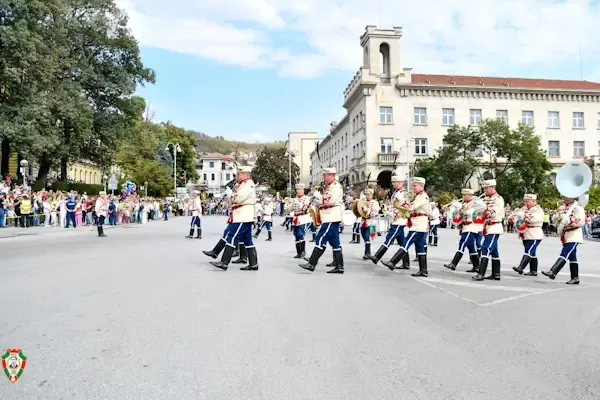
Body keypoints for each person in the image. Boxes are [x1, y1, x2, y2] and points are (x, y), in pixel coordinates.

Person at [210, 166, 258, 271]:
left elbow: (239, 198)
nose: (236, 177)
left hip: (243, 215)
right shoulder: (243, 184)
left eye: (238, 174)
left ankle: (224, 262)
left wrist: (230, 194)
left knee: (232, 237)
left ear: (244, 174)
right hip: (243, 215)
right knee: (247, 240)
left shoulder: (248, 184)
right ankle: (253, 263)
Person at [381, 177, 430, 277]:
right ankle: (423, 270)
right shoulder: (419, 196)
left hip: (418, 226)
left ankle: (393, 262)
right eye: (413, 186)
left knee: (406, 243)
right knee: (420, 248)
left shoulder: (422, 197)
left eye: (415, 186)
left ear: (421, 186)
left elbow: (411, 207)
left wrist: (402, 200)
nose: (413, 188)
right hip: (419, 225)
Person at [299, 167, 344, 274]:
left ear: (331, 175)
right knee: (335, 242)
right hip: (329, 217)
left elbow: (331, 200)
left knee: (320, 238)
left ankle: (312, 263)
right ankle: (339, 266)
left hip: (331, 217)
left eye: (325, 175)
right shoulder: (330, 186)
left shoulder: (335, 186)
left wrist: (319, 198)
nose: (323, 177)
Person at [541, 196, 584, 284]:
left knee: (565, 252)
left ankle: (553, 271)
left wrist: (566, 220)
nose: (563, 197)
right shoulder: (561, 208)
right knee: (572, 257)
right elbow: (557, 220)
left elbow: (580, 222)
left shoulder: (578, 207)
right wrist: (556, 219)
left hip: (574, 234)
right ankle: (575, 278)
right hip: (566, 234)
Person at [370, 175, 410, 268]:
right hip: (395, 220)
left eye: (394, 182)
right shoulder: (396, 192)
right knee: (401, 242)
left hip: (399, 220)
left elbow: (405, 207)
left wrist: (393, 214)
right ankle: (406, 263)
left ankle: (377, 257)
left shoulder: (403, 194)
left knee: (389, 238)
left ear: (400, 182)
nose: (392, 183)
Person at [443, 189, 485, 272]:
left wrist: (465, 211)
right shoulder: (465, 204)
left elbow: (478, 212)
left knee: (462, 244)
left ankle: (453, 263)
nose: (463, 197)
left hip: (471, 227)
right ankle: (476, 266)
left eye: (465, 195)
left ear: (470, 195)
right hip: (465, 227)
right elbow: (458, 215)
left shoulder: (476, 203)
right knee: (471, 248)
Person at [472, 180, 505, 281]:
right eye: (484, 188)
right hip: (486, 227)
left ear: (492, 187)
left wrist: (484, 207)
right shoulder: (485, 199)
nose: (484, 190)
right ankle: (496, 274)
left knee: (485, 249)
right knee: (494, 251)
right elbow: (479, 214)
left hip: (494, 227)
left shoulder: (498, 199)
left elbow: (494, 213)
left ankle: (481, 273)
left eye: (486, 188)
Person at [512, 194, 544, 276]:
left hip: (535, 233)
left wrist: (522, 216)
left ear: (533, 201)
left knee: (528, 250)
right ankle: (533, 271)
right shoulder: (524, 209)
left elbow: (534, 219)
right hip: (526, 233)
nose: (526, 203)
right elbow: (518, 217)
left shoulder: (538, 210)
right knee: (532, 253)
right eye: (525, 201)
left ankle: (521, 267)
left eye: (528, 201)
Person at [358, 188, 380, 260]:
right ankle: (367, 252)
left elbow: (374, 213)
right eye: (366, 195)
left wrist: (367, 210)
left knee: (367, 237)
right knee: (364, 236)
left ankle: (367, 253)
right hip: (362, 221)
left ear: (372, 195)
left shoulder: (375, 202)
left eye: (368, 195)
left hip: (370, 222)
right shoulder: (363, 202)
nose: (367, 196)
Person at [292, 184, 312, 258]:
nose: (298, 191)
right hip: (295, 218)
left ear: (303, 190)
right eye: (297, 189)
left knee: (300, 234)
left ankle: (303, 251)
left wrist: (300, 204)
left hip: (302, 218)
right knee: (296, 235)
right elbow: (290, 208)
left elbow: (305, 208)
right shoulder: (294, 199)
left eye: (299, 189)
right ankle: (298, 252)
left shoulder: (306, 198)